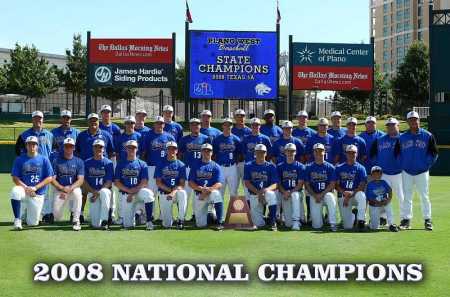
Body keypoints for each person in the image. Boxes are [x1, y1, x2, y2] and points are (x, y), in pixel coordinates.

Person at [399, 111, 438, 231]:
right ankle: (406, 220)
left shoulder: (427, 135)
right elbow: (397, 154)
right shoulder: (402, 137)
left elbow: (434, 153)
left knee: (424, 196)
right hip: (407, 172)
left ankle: (427, 220)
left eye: (415, 119)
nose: (413, 122)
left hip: (422, 172)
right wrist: (403, 164)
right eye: (411, 120)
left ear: (419, 121)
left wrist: (426, 164)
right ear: (408, 122)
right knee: (407, 196)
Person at [76, 113, 115, 223]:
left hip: (103, 167)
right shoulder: (82, 135)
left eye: (96, 120)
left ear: (99, 122)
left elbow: (111, 151)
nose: (94, 122)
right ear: (88, 122)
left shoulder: (106, 135)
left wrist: (108, 165)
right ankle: (80, 214)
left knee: (108, 191)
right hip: (87, 167)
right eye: (91, 120)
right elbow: (77, 151)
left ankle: (109, 214)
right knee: (83, 192)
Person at [10, 136, 54, 230]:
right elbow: (15, 178)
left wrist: (35, 188)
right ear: (26, 146)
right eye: (29, 144)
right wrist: (27, 188)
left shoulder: (44, 159)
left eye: (34, 144)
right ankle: (17, 219)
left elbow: (50, 178)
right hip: (24, 190)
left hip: (37, 194)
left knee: (32, 223)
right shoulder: (19, 159)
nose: (32, 146)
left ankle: (26, 213)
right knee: (15, 191)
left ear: (37, 146)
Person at [370, 117, 406, 225]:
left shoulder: (404, 139)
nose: (391, 127)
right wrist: (379, 164)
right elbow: (372, 155)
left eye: (393, 125)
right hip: (384, 173)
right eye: (389, 126)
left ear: (398, 126)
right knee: (382, 195)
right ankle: (383, 217)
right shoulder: (380, 140)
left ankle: (405, 218)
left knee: (402, 197)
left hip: (399, 173)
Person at [114, 140, 155, 230]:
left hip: (138, 192)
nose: (131, 149)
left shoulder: (142, 163)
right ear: (126, 149)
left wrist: (132, 192)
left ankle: (149, 221)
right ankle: (137, 214)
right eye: (129, 147)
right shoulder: (120, 163)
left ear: (137, 149)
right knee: (128, 225)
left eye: (134, 147)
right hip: (126, 193)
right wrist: (129, 192)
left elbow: (144, 181)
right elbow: (117, 182)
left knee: (148, 194)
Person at [178, 118, 210, 221]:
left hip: (200, 170)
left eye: (197, 124)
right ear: (190, 126)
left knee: (199, 193)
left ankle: (196, 215)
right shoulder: (184, 139)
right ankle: (181, 218)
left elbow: (210, 155)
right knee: (185, 194)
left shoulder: (206, 138)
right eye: (192, 124)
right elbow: (180, 154)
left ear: (200, 126)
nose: (195, 126)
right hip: (187, 169)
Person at [50, 138, 84, 231]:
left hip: (72, 189)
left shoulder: (79, 161)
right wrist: (62, 188)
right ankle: (57, 214)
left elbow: (80, 180)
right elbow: (52, 179)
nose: (69, 148)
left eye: (71, 146)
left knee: (78, 192)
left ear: (74, 148)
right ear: (63, 147)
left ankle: (76, 219)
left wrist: (70, 188)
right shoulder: (56, 161)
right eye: (67, 146)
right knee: (57, 216)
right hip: (60, 190)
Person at [188, 143, 224, 230]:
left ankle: (219, 222)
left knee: (216, 194)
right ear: (201, 152)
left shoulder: (216, 166)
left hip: (210, 193)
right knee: (201, 224)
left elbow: (219, 183)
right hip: (199, 195)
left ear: (212, 152)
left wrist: (209, 190)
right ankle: (211, 215)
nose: (207, 152)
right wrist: (200, 189)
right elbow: (190, 182)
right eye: (204, 150)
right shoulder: (195, 165)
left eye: (209, 151)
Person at [243, 144, 279, 231]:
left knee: (271, 194)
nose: (260, 154)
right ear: (255, 153)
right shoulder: (248, 165)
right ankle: (264, 219)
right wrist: (259, 192)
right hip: (254, 194)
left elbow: (275, 184)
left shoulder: (271, 166)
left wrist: (265, 190)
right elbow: (247, 183)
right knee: (258, 223)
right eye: (258, 152)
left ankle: (273, 221)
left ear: (266, 153)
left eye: (262, 152)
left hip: (266, 193)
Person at [304, 143, 338, 231]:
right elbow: (307, 185)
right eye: (316, 151)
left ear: (324, 152)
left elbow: (332, 184)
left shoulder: (330, 167)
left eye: (321, 151)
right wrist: (315, 195)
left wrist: (322, 194)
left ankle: (333, 223)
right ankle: (320, 217)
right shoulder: (308, 167)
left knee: (330, 197)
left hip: (326, 194)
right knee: (316, 226)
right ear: (313, 153)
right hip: (314, 195)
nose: (318, 153)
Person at [155, 141, 188, 229]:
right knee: (167, 224)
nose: (171, 151)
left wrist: (173, 192)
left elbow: (182, 184)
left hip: (176, 193)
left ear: (177, 151)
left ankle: (181, 219)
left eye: (174, 149)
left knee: (183, 193)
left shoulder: (181, 165)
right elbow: (158, 182)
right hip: (164, 193)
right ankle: (169, 220)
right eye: (169, 149)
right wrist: (170, 191)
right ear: (166, 150)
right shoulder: (160, 163)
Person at [335, 145, 367, 231]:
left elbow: (362, 185)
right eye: (349, 153)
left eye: (353, 153)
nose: (351, 155)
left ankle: (361, 220)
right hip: (344, 195)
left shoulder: (361, 168)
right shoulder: (339, 168)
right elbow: (336, 185)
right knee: (347, 227)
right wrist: (344, 193)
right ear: (345, 154)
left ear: (357, 154)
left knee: (362, 195)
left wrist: (352, 193)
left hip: (355, 194)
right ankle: (353, 216)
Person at [84, 139, 114, 230]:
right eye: (96, 147)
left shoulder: (108, 163)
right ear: (93, 148)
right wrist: (94, 192)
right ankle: (99, 220)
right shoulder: (87, 162)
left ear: (103, 149)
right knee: (96, 224)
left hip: (104, 191)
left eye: (100, 147)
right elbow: (84, 181)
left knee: (104, 192)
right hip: (92, 192)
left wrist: (98, 192)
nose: (98, 149)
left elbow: (109, 182)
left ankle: (105, 220)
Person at [141, 116, 175, 194]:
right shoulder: (148, 136)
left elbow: (174, 153)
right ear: (154, 124)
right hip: (152, 166)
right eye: (157, 123)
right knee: (150, 192)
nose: (159, 125)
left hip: (166, 167)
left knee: (165, 192)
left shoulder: (170, 137)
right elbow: (144, 152)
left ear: (164, 125)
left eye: (161, 123)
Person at [277, 143, 306, 230]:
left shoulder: (300, 166)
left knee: (295, 195)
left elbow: (300, 184)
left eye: (292, 151)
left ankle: (297, 221)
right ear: (285, 152)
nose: (290, 153)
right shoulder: (280, 166)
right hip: (284, 193)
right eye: (288, 151)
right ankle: (280, 217)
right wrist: (284, 192)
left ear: (295, 152)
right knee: (288, 224)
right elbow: (278, 183)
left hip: (296, 193)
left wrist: (290, 192)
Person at [212, 118, 241, 202]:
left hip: (232, 167)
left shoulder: (236, 139)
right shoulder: (217, 139)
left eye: (229, 125)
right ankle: (218, 214)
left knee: (233, 191)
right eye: (225, 125)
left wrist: (235, 162)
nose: (227, 127)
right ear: (222, 126)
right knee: (219, 191)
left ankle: (233, 214)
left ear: (232, 126)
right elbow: (213, 154)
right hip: (220, 167)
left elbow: (239, 153)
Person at [366, 166, 399, 232]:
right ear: (372, 175)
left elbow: (389, 190)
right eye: (374, 174)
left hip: (383, 204)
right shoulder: (370, 185)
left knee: (388, 205)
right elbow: (370, 198)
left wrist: (388, 199)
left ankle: (391, 224)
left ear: (381, 174)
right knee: (374, 227)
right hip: (375, 205)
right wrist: (379, 203)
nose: (377, 175)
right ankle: (371, 223)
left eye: (378, 173)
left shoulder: (383, 182)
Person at [231, 109, 252, 190]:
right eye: (238, 116)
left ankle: (248, 203)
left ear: (245, 117)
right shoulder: (231, 130)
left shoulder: (249, 131)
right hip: (233, 162)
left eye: (242, 116)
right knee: (233, 188)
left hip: (245, 162)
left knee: (247, 187)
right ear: (234, 118)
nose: (240, 118)